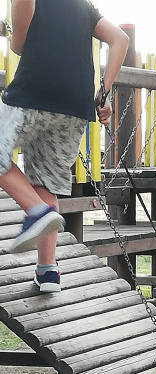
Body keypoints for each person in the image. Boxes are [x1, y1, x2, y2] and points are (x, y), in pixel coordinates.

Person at [0, 0, 129, 292]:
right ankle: (47, 272)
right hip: (76, 105)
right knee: (45, 182)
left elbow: (21, 35)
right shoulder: (81, 4)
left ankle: (37, 212)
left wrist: (15, 40)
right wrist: (104, 93)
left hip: (35, 90)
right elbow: (120, 39)